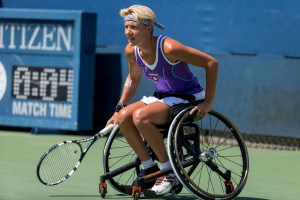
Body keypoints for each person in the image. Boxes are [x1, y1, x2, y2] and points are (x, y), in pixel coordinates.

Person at [106, 4, 218, 196]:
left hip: (188, 98)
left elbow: (211, 63)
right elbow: (133, 78)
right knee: (124, 117)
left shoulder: (169, 48)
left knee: (141, 117)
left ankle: (168, 172)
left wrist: (207, 101)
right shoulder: (131, 51)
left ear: (148, 28)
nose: (128, 32)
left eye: (134, 28)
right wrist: (119, 106)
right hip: (164, 97)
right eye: (126, 27)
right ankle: (150, 169)